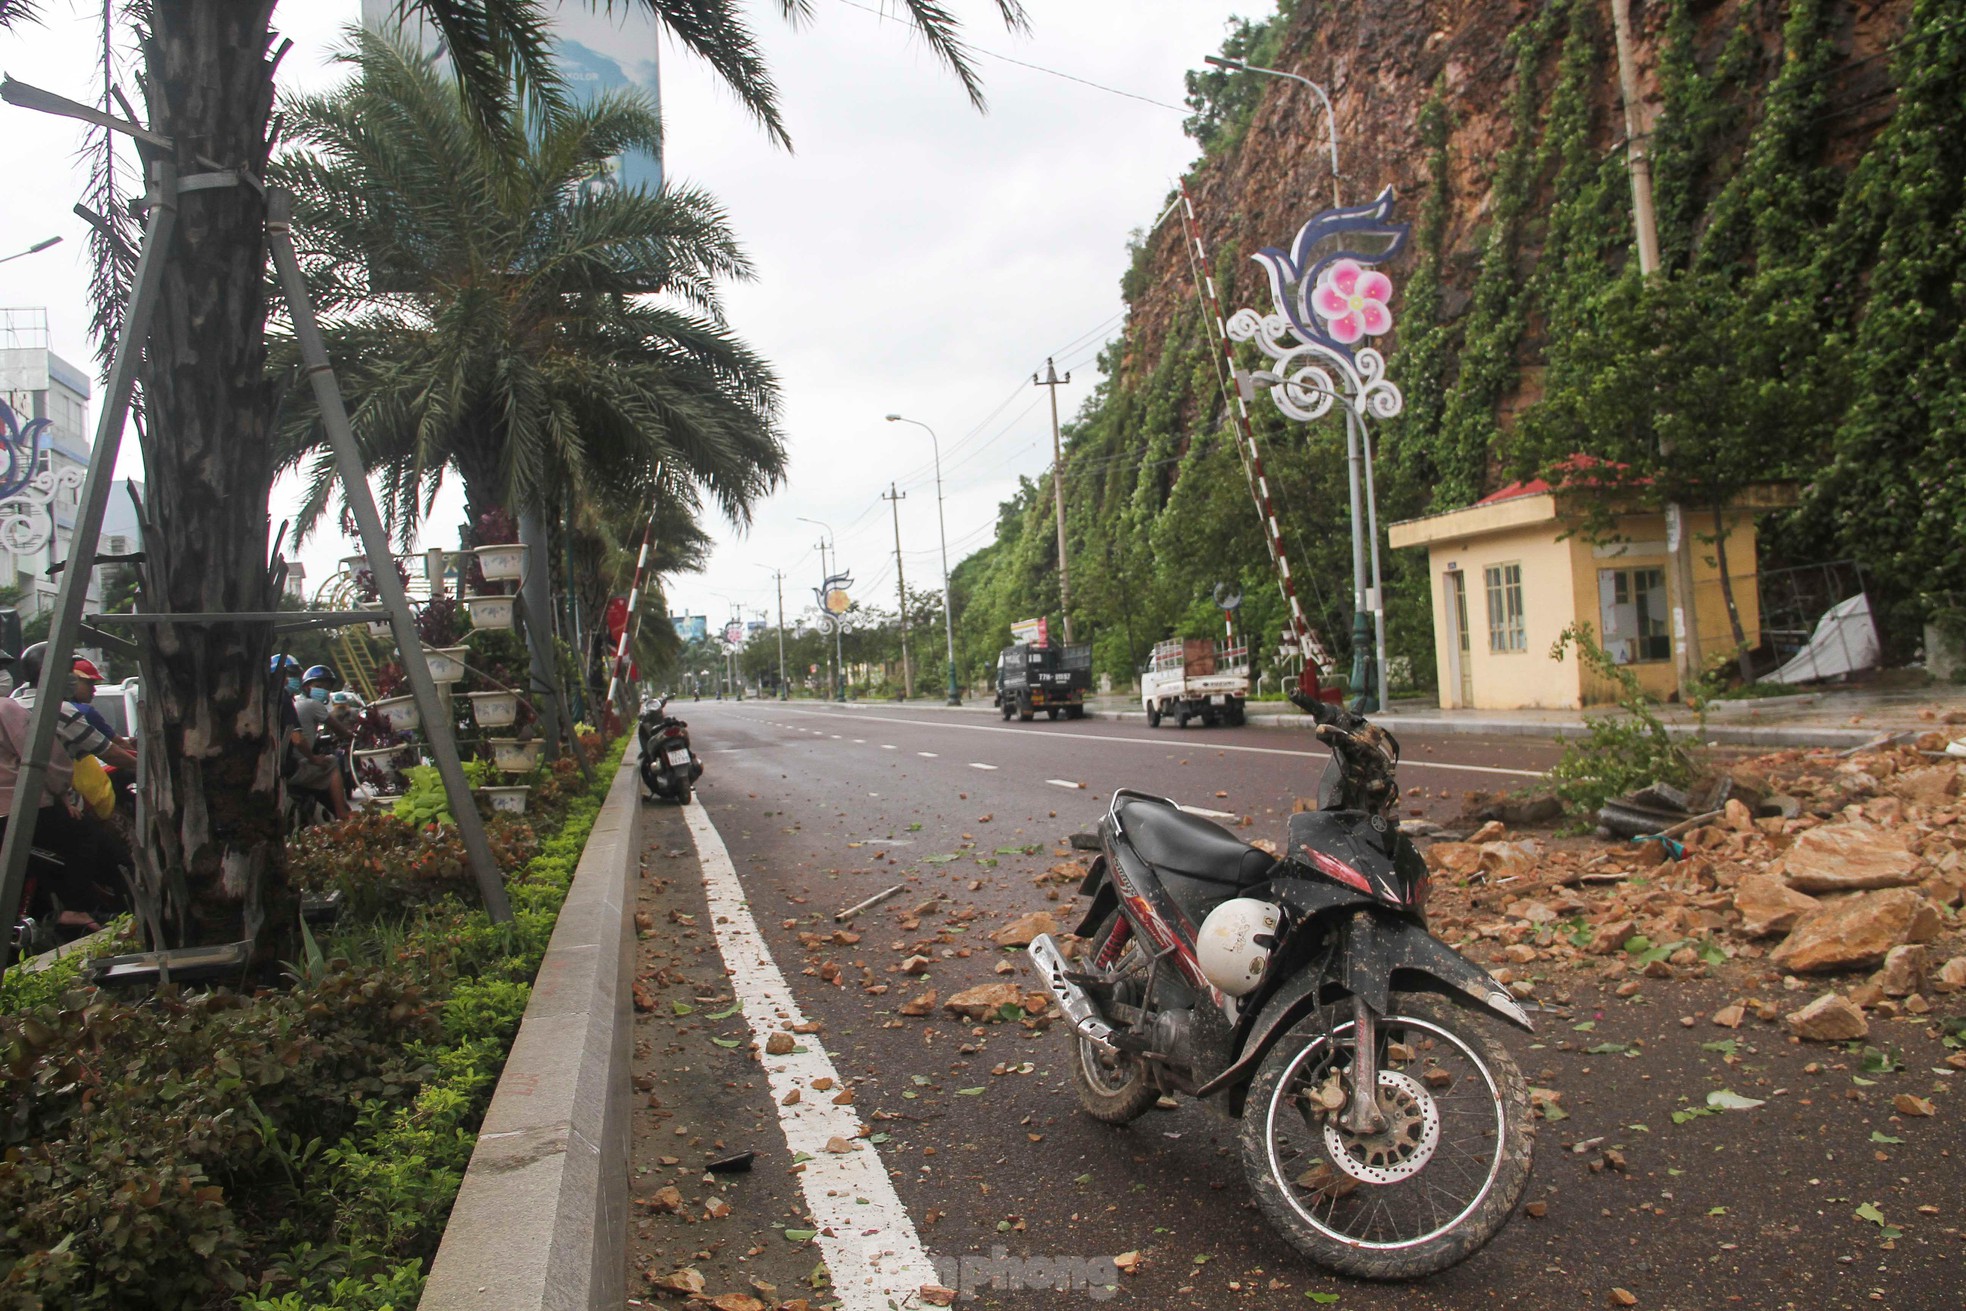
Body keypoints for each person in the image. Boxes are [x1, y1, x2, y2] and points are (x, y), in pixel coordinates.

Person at [0, 649, 128, 936]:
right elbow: (43, 758)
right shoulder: (9, 709)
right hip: (19, 810)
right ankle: (75, 909)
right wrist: (61, 794)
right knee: (84, 836)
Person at [11, 643, 136, 773]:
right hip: (47, 789)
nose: (72, 677)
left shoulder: (13, 705)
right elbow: (108, 752)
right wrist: (142, 767)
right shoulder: (61, 710)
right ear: (50, 671)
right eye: (68, 671)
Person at [278, 655, 349, 820]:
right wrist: (314, 758)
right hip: (288, 768)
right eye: (288, 675)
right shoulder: (287, 700)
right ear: (307, 686)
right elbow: (297, 738)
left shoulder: (269, 700)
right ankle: (343, 815)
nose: (290, 680)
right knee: (331, 763)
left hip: (275, 765)